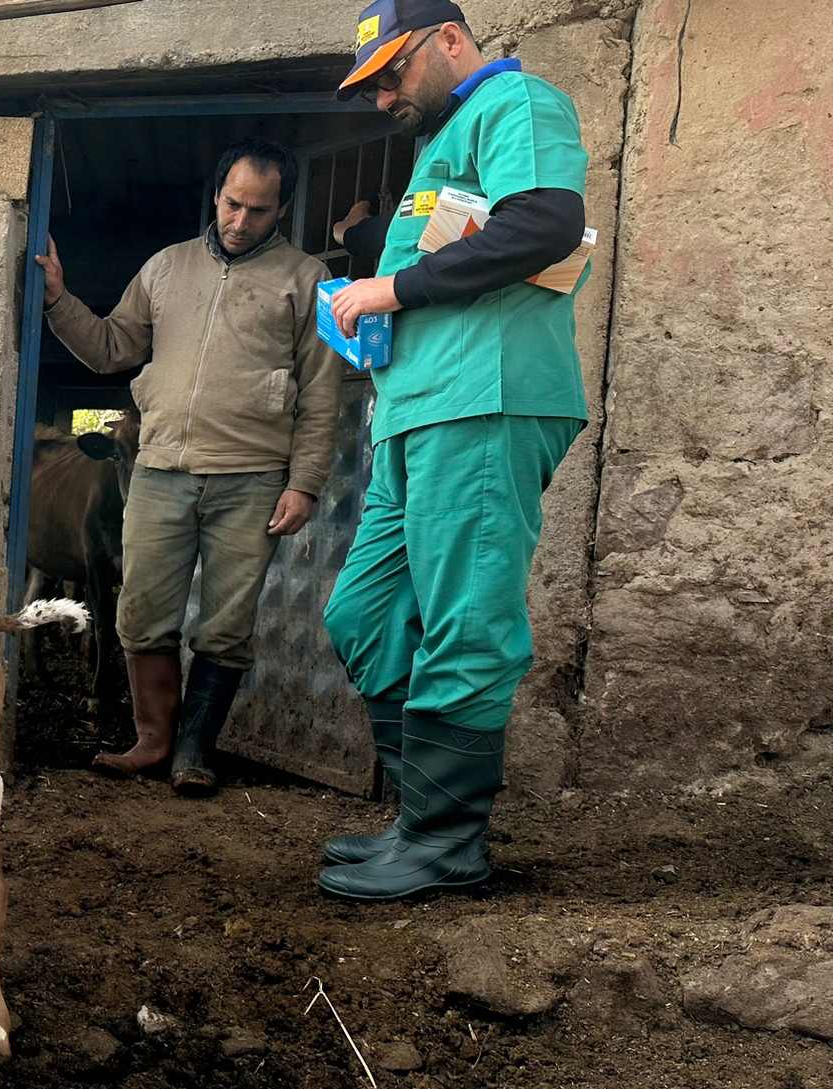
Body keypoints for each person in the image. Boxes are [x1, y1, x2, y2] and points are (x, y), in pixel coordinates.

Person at [318, 0, 590, 900]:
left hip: (485, 398)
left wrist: (390, 287)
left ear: (448, 40)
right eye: (371, 86)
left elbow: (545, 224)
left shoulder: (518, 104)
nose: (383, 97)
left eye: (392, 72)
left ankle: (445, 842)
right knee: (363, 615)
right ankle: (419, 819)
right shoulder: (442, 142)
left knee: (465, 624)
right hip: (418, 412)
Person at [34, 140, 343, 795]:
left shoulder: (307, 278)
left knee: (226, 627)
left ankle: (194, 752)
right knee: (141, 614)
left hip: (253, 478)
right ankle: (153, 743)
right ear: (216, 194)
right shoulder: (166, 268)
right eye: (232, 204)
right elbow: (110, 348)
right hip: (158, 470)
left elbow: (320, 392)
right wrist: (59, 300)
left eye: (258, 210)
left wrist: (305, 483)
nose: (240, 221)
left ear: (282, 207)